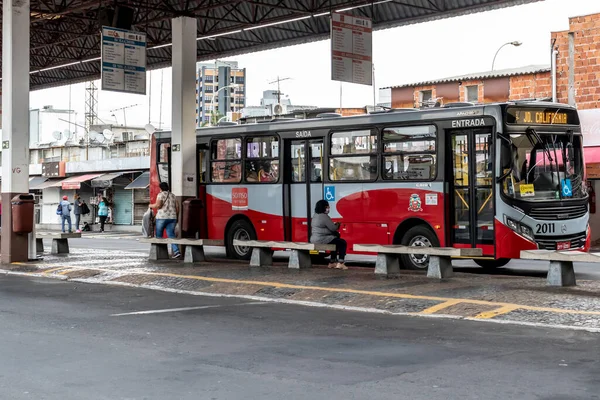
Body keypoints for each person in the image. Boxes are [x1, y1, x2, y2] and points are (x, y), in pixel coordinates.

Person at [310, 199, 347, 270]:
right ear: (323, 207)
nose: (328, 208)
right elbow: (333, 228)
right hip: (321, 239)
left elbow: (322, 229)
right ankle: (341, 263)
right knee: (342, 242)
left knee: (335, 242)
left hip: (314, 239)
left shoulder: (315, 215)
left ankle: (332, 262)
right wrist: (337, 224)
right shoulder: (324, 216)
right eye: (327, 207)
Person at [149, 182, 181, 258]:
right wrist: (176, 217)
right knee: (171, 235)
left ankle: (160, 253)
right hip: (172, 217)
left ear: (160, 188)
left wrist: (150, 205)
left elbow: (158, 205)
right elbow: (177, 207)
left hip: (162, 217)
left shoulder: (160, 195)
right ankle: (176, 251)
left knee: (159, 235)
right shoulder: (173, 195)